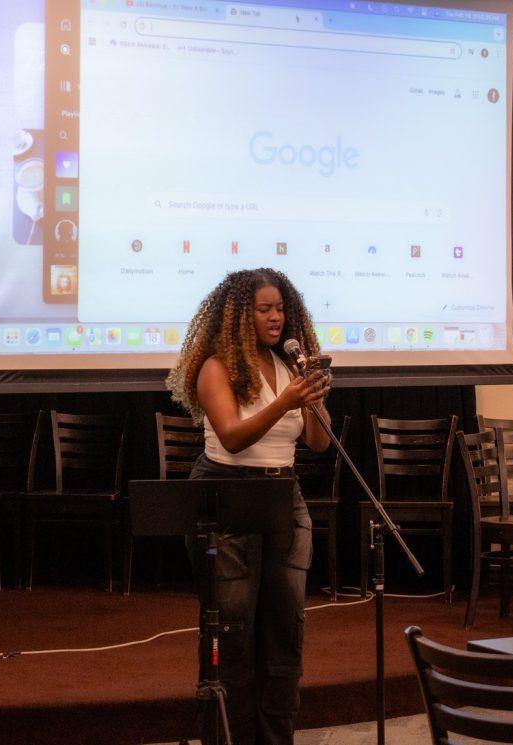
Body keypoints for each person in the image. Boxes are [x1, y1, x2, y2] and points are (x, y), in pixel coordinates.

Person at [167, 268, 331, 745]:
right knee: (232, 633)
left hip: (283, 494)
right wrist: (286, 402)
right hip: (227, 493)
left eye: (280, 308)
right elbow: (233, 439)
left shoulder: (289, 368)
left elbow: (319, 443)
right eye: (264, 309)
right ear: (241, 315)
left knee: (286, 630)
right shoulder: (216, 367)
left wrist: (316, 397)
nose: (275, 317)